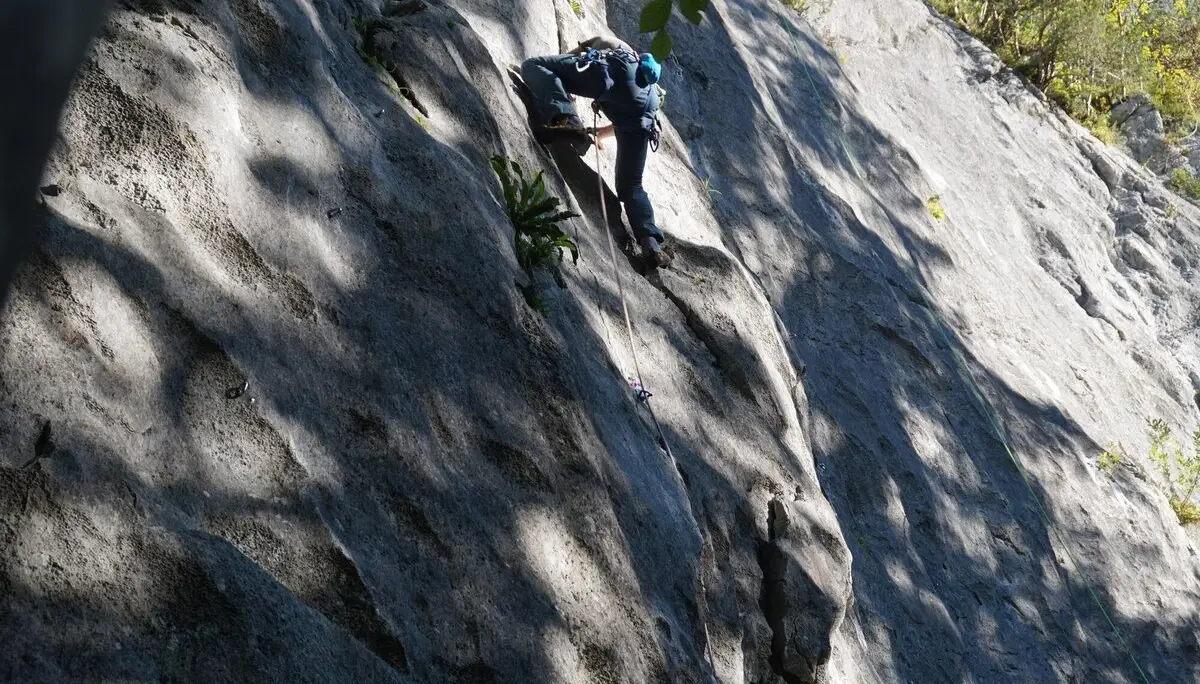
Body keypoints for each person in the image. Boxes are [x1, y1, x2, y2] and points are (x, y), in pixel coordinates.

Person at [521, 37, 671, 268]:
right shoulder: (649, 88)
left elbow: (587, 48)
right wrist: (600, 133)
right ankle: (650, 243)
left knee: (534, 65)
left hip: (615, 75)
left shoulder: (619, 49)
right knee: (631, 186)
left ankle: (564, 120)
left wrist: (562, 76)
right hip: (645, 111)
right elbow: (627, 119)